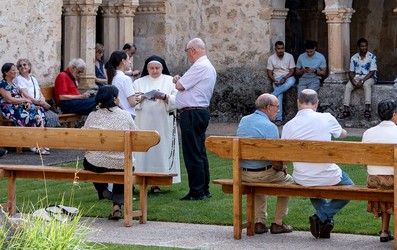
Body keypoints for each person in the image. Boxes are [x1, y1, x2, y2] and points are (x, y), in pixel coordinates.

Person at [281, 89, 354, 239]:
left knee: (312, 184)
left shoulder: (288, 126)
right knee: (351, 188)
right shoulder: (326, 118)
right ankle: (321, 217)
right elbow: (342, 134)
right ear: (316, 104)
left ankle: (324, 220)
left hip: (301, 177)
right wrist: (342, 131)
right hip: (327, 175)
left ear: (298, 103)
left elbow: (284, 155)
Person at [236, 93, 294, 234]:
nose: (278, 111)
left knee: (258, 181)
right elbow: (276, 159)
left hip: (243, 174)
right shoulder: (270, 127)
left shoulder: (244, 120)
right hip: (263, 174)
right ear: (268, 107)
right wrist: (282, 167)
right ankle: (278, 222)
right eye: (277, 107)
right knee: (290, 182)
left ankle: (259, 222)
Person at [82, 85, 137, 220]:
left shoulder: (93, 116)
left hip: (97, 164)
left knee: (89, 161)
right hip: (121, 164)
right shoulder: (125, 115)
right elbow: (136, 136)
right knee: (123, 163)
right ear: (115, 99)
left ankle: (103, 190)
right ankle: (116, 206)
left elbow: (83, 135)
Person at [173, 38, 216, 200]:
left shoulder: (199, 66)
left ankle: (197, 190)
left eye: (187, 51)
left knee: (192, 153)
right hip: (199, 112)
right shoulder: (207, 66)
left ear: (193, 50)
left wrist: (178, 80)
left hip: (192, 113)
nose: (187, 55)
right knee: (199, 152)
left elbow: (180, 86)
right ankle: (203, 188)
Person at [133, 55, 181, 193]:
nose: (154, 71)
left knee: (161, 150)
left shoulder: (170, 81)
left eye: (157, 68)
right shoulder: (138, 82)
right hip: (143, 122)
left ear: (162, 68)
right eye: (151, 68)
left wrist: (164, 97)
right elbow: (132, 100)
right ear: (147, 68)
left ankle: (157, 183)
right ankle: (142, 180)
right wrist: (142, 97)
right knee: (145, 152)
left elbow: (177, 100)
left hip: (163, 123)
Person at [362, 99, 397, 242]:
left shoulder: (368, 133)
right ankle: (385, 231)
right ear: (394, 115)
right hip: (394, 180)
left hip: (374, 181)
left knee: (385, 182)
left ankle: (384, 231)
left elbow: (364, 163)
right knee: (391, 181)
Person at [0, 63, 47, 154]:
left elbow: (21, 96)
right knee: (29, 116)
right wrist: (25, 100)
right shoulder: (2, 84)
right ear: (6, 72)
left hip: (20, 106)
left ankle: (40, 143)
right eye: (13, 70)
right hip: (10, 109)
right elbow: (9, 100)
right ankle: (33, 144)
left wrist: (27, 103)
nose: (15, 72)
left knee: (39, 111)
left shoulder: (14, 84)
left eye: (15, 69)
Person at [15, 58, 60, 128]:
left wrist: (42, 99)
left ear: (29, 66)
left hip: (39, 102)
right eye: (20, 66)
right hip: (29, 104)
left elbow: (39, 92)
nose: (22, 67)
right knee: (40, 113)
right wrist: (38, 102)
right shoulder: (19, 79)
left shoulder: (33, 79)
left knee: (53, 116)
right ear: (18, 69)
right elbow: (25, 95)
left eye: (24, 64)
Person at [342, 38, 377, 119]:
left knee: (366, 84)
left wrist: (362, 81)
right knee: (348, 86)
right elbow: (351, 72)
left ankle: (367, 109)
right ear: (358, 47)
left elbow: (372, 72)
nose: (364, 48)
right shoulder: (354, 57)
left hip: (369, 77)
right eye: (362, 46)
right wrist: (353, 81)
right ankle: (346, 110)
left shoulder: (372, 57)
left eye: (365, 46)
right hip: (357, 77)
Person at [267, 41, 296, 126]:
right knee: (279, 96)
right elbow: (269, 73)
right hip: (276, 78)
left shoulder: (289, 56)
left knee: (291, 82)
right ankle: (278, 119)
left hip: (288, 77)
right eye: (279, 49)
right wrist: (274, 80)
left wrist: (285, 78)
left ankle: (272, 95)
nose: (281, 50)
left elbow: (292, 71)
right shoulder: (271, 58)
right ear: (275, 49)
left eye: (282, 48)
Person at [105, 50, 136, 118]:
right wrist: (141, 97)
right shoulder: (125, 79)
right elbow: (132, 102)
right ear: (123, 61)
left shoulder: (112, 77)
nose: (130, 62)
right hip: (126, 114)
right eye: (128, 59)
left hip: (115, 114)